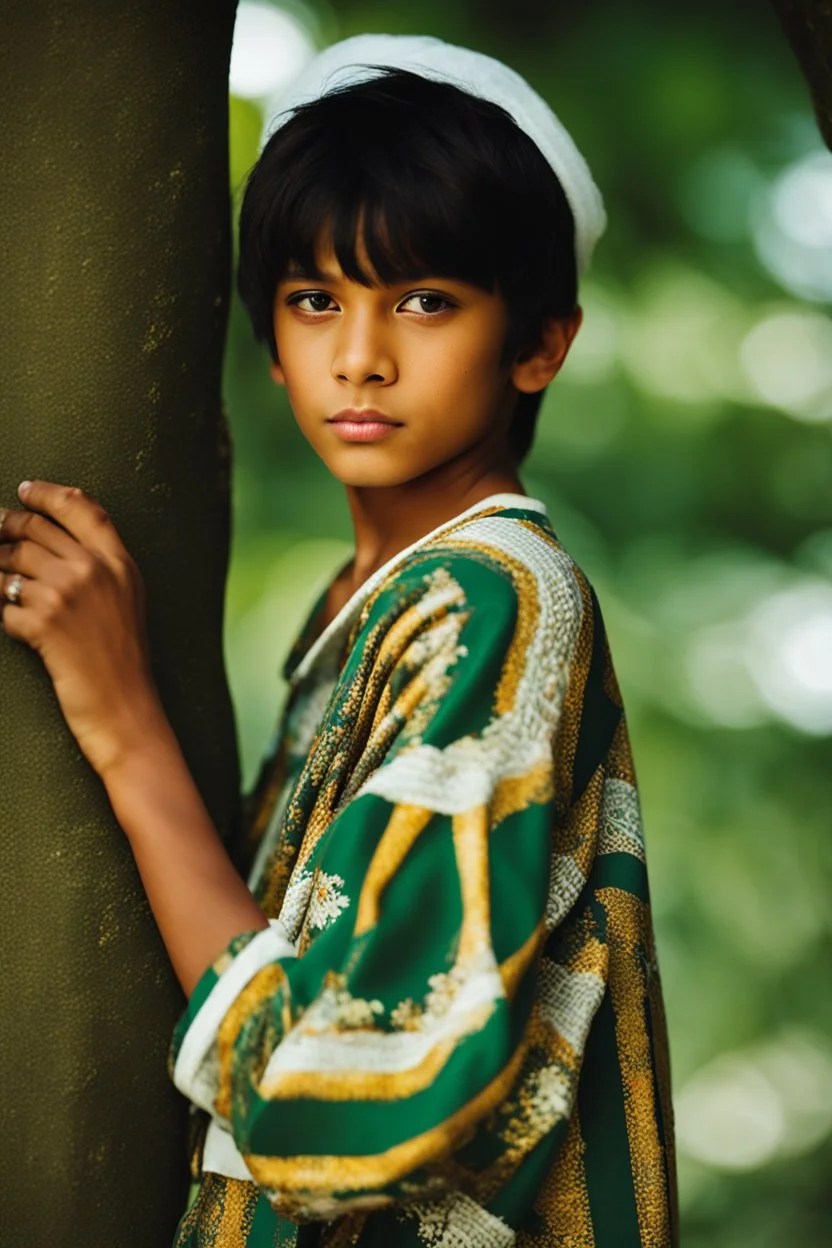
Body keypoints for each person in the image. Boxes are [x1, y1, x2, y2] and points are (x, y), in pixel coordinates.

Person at [0, 33, 677, 1248]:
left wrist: (125, 727)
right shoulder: (364, 601)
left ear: (539, 343)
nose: (360, 356)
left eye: (424, 300)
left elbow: (345, 1103)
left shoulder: (493, 597)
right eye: (318, 300)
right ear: (271, 338)